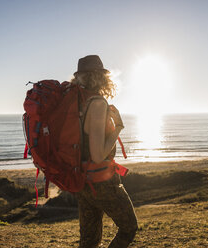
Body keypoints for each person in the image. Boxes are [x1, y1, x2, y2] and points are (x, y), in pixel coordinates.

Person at [71, 55, 138, 248]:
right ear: (100, 77)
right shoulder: (98, 104)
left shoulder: (78, 102)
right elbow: (98, 155)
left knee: (89, 241)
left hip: (82, 181)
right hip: (101, 181)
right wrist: (118, 127)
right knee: (129, 227)